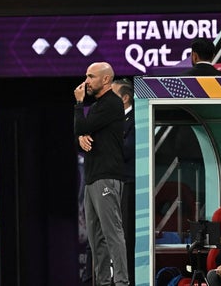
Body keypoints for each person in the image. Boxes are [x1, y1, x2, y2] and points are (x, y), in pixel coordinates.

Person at [74, 62, 129, 286]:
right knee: (96, 238)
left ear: (106, 79)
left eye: (91, 76)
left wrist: (79, 104)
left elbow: (81, 126)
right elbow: (81, 131)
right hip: (92, 177)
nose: (86, 81)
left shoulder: (112, 103)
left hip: (107, 176)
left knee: (112, 233)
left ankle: (122, 282)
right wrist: (80, 137)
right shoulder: (97, 105)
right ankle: (103, 282)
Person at [112, 78, 135, 286]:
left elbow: (126, 150)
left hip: (128, 184)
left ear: (125, 98)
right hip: (111, 184)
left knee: (125, 236)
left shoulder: (136, 120)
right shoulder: (111, 120)